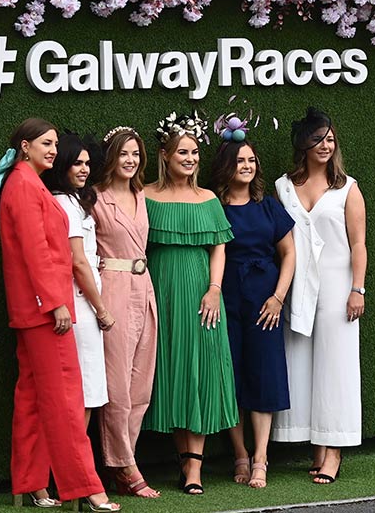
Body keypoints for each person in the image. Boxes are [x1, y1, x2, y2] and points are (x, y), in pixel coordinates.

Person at [0, 118, 119, 511]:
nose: (52, 150)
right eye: (45, 143)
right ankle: (85, 489)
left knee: (31, 399)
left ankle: (28, 484)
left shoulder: (25, 183)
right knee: (65, 399)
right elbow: (35, 250)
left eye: (54, 143)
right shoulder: (24, 185)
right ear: (24, 147)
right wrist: (55, 302)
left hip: (34, 309)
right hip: (44, 311)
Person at [142, 113, 237, 495]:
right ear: (165, 154)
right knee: (172, 370)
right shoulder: (145, 196)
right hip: (159, 292)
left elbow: (219, 248)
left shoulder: (208, 198)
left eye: (195, 151)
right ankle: (183, 462)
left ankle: (194, 468)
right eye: (183, 151)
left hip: (202, 294)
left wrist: (214, 289)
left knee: (197, 371)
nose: (191, 158)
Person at [272, 107, 367, 485]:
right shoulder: (283, 187)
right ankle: (316, 446)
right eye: (318, 139)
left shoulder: (348, 187)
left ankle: (334, 452)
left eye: (330, 139)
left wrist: (357, 288)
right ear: (304, 144)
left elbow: (358, 243)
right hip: (298, 286)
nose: (326, 145)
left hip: (338, 285)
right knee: (301, 366)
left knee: (336, 368)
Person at [210, 133, 296, 489]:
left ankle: (260, 457)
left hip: (265, 302)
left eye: (251, 160)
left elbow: (289, 254)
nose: (246, 167)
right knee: (230, 376)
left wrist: (278, 297)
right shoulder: (212, 205)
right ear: (226, 167)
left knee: (263, 374)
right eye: (239, 161)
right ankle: (240, 454)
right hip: (226, 299)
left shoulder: (268, 206)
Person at [92, 126, 160, 498]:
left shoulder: (141, 195)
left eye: (135, 153)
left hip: (144, 287)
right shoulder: (97, 198)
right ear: (111, 158)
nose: (131, 160)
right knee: (116, 384)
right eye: (123, 154)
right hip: (112, 286)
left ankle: (123, 459)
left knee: (141, 385)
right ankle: (125, 466)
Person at [42, 133, 115, 428]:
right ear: (63, 167)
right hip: (81, 306)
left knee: (85, 391)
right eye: (76, 164)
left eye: (87, 163)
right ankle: (72, 467)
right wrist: (102, 310)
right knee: (85, 391)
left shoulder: (71, 201)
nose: (84, 169)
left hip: (81, 304)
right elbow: (78, 262)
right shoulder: (65, 204)